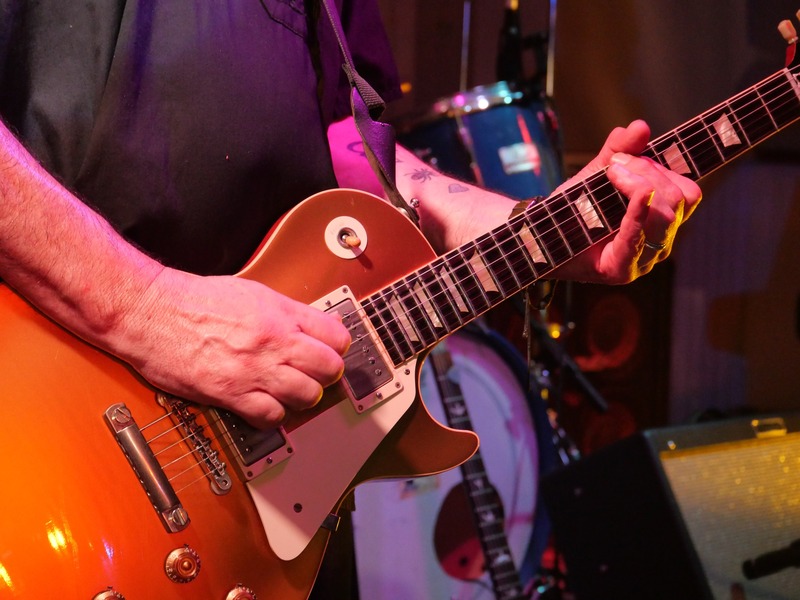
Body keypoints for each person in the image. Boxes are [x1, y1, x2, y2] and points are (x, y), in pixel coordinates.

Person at [0, 0, 701, 597]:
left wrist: (542, 230)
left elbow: (352, 145)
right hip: (53, 421)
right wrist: (146, 310)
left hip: (260, 480)